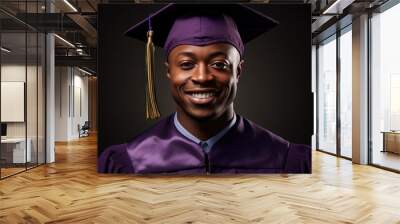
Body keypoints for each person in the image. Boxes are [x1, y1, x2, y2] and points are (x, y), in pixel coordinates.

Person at [98, 3, 311, 174]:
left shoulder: (287, 159)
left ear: (238, 71)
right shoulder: (127, 160)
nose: (202, 77)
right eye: (186, 64)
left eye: (219, 64)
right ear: (169, 72)